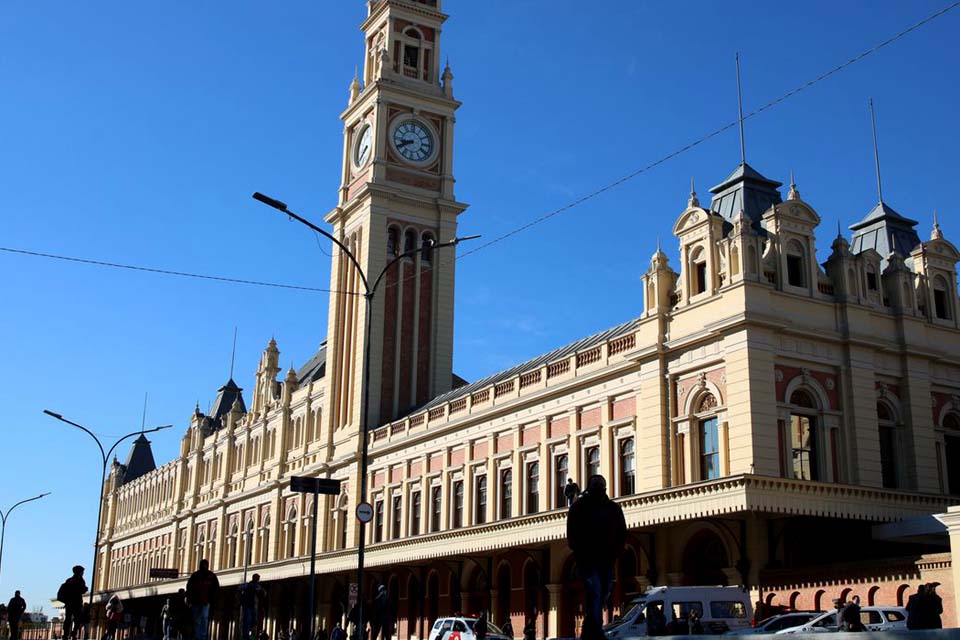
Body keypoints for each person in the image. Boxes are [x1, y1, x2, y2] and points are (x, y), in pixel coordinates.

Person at [566, 475, 626, 640]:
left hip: (606, 558)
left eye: (601, 485)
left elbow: (622, 530)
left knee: (604, 591)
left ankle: (588, 627)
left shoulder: (613, 508)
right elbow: (571, 530)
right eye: (596, 485)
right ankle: (595, 631)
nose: (598, 488)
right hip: (587, 559)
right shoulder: (579, 507)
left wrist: (617, 550)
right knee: (596, 592)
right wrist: (577, 549)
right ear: (590, 487)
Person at [186, 559, 219, 640]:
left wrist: (213, 600)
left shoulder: (211, 576)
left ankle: (201, 636)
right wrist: (190, 599)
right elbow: (189, 587)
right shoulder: (196, 575)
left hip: (205, 602)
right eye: (203, 564)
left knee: (203, 619)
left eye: (205, 565)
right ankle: (197, 636)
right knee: (198, 620)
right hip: (196, 602)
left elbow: (216, 589)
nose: (204, 566)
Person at [57, 565, 88, 640]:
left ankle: (72, 633)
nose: (83, 573)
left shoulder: (80, 580)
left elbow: (82, 590)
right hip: (72, 603)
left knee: (76, 620)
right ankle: (67, 634)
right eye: (82, 572)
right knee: (70, 619)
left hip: (75, 603)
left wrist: (84, 589)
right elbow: (79, 590)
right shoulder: (71, 581)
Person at [240, 574, 267, 640]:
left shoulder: (256, 586)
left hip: (253, 606)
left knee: (253, 621)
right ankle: (246, 636)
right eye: (258, 578)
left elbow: (263, 593)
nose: (258, 580)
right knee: (248, 621)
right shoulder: (250, 585)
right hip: (248, 606)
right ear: (254, 578)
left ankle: (249, 634)